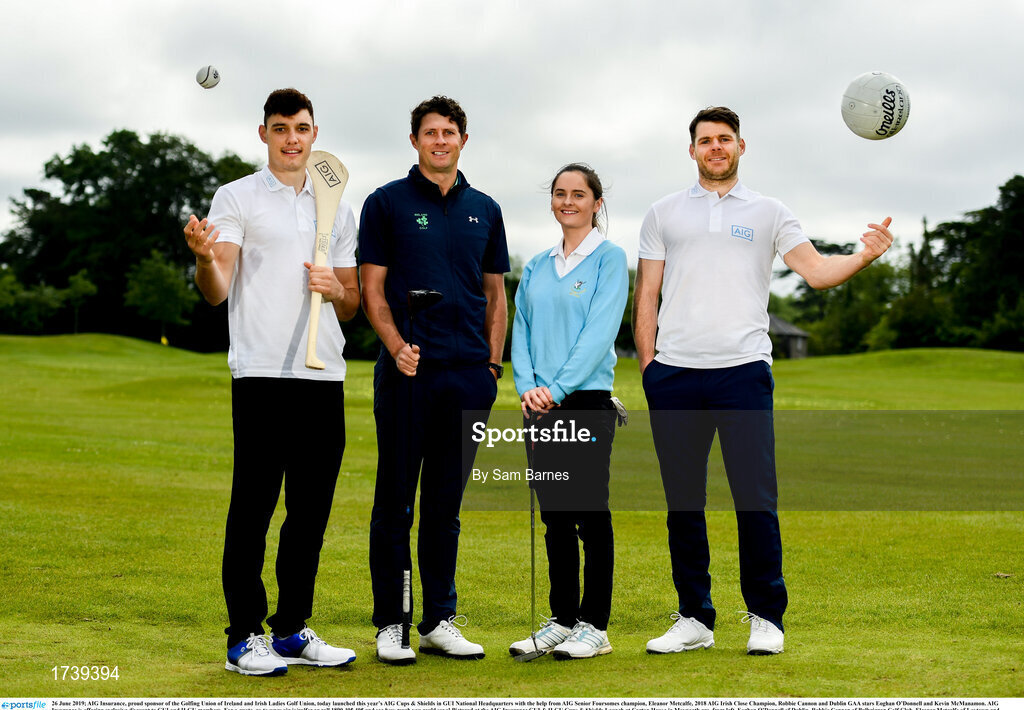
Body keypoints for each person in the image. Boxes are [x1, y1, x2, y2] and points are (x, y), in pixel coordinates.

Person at [633, 106, 894, 656]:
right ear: (692, 151)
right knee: (684, 503)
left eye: (724, 139)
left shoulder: (771, 212)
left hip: (744, 374)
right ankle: (694, 618)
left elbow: (818, 272)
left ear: (741, 147)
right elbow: (647, 295)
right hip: (675, 375)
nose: (716, 148)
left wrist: (864, 256)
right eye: (706, 140)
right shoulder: (663, 213)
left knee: (755, 499)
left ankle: (766, 618)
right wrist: (649, 369)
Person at [183, 88, 360, 676]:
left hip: (323, 374)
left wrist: (336, 289)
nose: (292, 139)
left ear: (315, 133)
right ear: (264, 134)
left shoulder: (336, 205)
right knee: (254, 507)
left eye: (302, 128)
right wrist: (206, 257)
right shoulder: (236, 197)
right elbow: (218, 287)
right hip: (260, 372)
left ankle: (290, 630)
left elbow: (353, 301)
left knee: (310, 512)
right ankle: (242, 638)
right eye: (281, 128)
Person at [358, 95, 510, 665]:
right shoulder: (386, 204)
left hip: (468, 376)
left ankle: (438, 619)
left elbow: (496, 296)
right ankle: (392, 622)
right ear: (415, 140)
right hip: (407, 375)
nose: (440, 140)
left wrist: (491, 366)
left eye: (449, 132)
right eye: (430, 132)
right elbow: (373, 289)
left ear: (463, 140)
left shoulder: (486, 209)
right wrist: (396, 348)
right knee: (395, 502)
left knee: (445, 505)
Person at [508, 163, 628, 660]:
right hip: (539, 403)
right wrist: (529, 388)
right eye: (560, 193)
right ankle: (562, 619)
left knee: (589, 515)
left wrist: (555, 389)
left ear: (597, 203)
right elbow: (522, 330)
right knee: (555, 517)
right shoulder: (537, 264)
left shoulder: (610, 258)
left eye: (579, 194)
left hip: (585, 402)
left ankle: (594, 627)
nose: (568, 201)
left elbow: (599, 334)